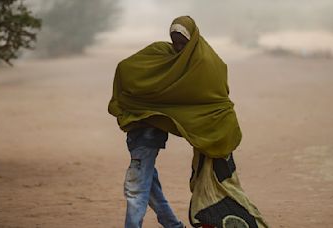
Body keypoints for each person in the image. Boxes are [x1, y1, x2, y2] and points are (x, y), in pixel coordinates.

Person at [109, 16, 268, 228]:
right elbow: (125, 69)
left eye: (183, 42)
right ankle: (173, 225)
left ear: (193, 39)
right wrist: (145, 100)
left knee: (137, 185)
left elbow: (214, 102)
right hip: (140, 126)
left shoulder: (204, 62)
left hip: (148, 133)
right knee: (147, 182)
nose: (178, 47)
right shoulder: (159, 53)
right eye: (174, 41)